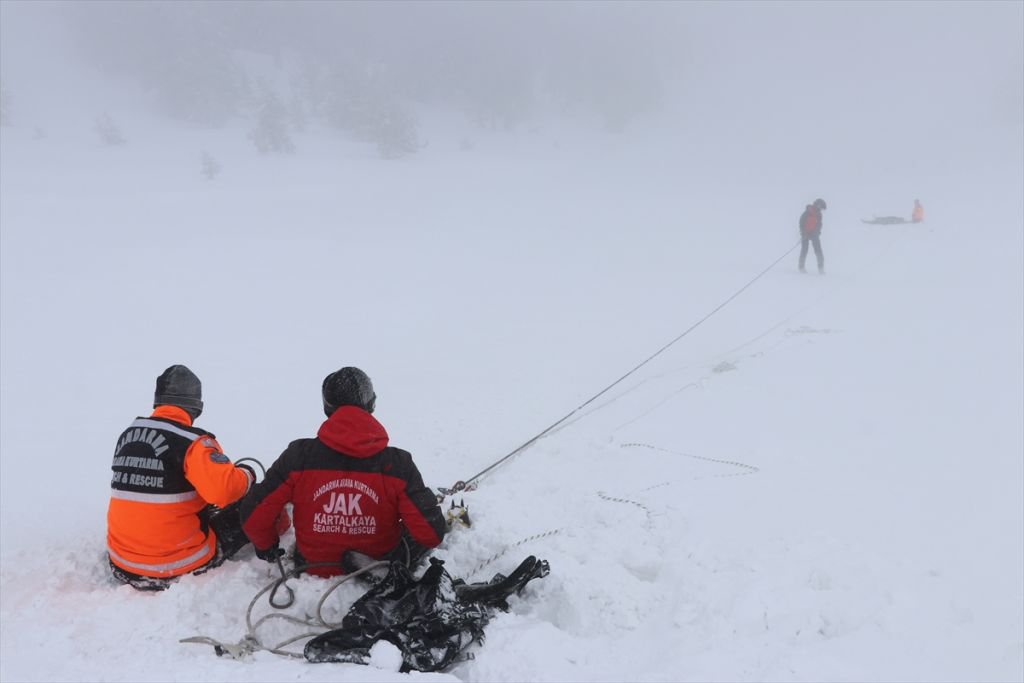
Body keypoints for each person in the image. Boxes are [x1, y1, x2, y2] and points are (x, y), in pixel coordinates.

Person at [240, 367, 447, 577]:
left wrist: (266, 546)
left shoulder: (298, 457)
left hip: (312, 570)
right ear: (371, 405)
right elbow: (431, 533)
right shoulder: (398, 464)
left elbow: (253, 515)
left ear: (327, 407)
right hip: (376, 569)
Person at [107, 365, 257, 591]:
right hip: (174, 567)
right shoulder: (191, 441)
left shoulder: (128, 435)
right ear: (196, 406)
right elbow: (225, 491)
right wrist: (247, 474)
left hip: (122, 562)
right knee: (254, 505)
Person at [798, 198, 827, 274]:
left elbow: (819, 224)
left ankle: (821, 268)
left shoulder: (819, 214)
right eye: (821, 207)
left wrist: (817, 232)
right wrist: (804, 232)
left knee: (818, 250)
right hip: (805, 234)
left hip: (814, 234)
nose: (821, 209)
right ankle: (801, 267)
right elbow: (801, 223)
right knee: (804, 250)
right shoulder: (807, 212)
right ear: (818, 205)